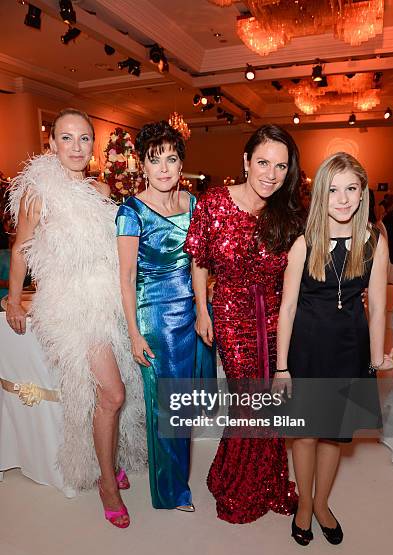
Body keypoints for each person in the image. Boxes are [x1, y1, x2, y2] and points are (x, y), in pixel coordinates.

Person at [6, 108, 146, 528]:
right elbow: (19, 250)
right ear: (51, 143)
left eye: (84, 138)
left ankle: (110, 457)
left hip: (108, 301)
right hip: (72, 307)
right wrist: (13, 300)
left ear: (93, 146)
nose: (76, 147)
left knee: (115, 392)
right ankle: (106, 481)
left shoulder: (101, 190)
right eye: (66, 138)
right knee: (113, 393)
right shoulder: (38, 192)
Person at [185, 124, 303, 523]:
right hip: (232, 314)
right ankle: (238, 485)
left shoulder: (287, 216)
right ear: (246, 161)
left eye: (281, 166)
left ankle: (261, 478)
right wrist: (203, 309)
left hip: (275, 318)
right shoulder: (216, 202)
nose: (271, 174)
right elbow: (199, 260)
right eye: (264, 162)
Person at [274, 152, 393, 546]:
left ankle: (322, 503)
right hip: (307, 349)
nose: (342, 199)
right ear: (321, 194)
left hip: (349, 350)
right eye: (334, 190)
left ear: (362, 194)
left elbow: (377, 306)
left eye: (351, 189)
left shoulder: (375, 240)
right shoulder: (303, 242)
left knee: (334, 437)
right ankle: (305, 505)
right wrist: (281, 367)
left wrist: (376, 358)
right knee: (305, 435)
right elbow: (287, 307)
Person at [116, 121, 214, 511]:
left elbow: (198, 263)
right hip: (155, 317)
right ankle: (170, 491)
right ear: (142, 165)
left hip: (189, 313)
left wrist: (203, 311)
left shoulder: (191, 203)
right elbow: (124, 278)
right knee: (167, 406)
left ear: (181, 164)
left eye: (171, 159)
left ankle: (176, 479)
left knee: (184, 403)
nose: (164, 168)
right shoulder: (131, 211)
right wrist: (134, 334)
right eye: (155, 161)